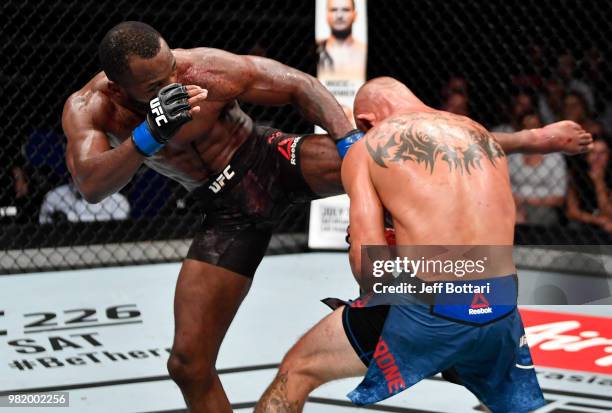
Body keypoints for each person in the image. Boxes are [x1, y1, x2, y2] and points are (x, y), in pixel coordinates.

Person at [63, 22, 590, 412]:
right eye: (158, 84)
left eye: (173, 67)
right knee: (186, 364)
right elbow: (91, 184)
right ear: (118, 87)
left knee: (398, 151)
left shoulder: (204, 68)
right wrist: (148, 135)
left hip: (270, 158)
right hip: (224, 211)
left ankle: (429, 316)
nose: (176, 82)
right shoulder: (93, 109)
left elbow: (302, 86)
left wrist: (351, 144)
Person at [255, 77, 547, 413]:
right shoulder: (480, 135)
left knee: (297, 371)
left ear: (366, 121)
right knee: (499, 396)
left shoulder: (369, 147)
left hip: (430, 308)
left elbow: (369, 267)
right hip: (500, 304)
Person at [508, 112, 567, 225]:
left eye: (535, 127)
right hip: (512, 204)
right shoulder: (512, 155)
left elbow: (559, 198)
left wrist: (526, 201)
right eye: (527, 128)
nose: (531, 132)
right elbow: (502, 186)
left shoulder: (554, 157)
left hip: (543, 207)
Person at [566, 138, 612, 232]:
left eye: (602, 153)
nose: (597, 157)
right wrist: (598, 220)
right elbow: (572, 211)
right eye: (593, 152)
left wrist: (599, 182)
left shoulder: (610, 177)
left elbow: (608, 211)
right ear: (586, 156)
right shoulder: (576, 175)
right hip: (584, 223)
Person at [317, 0, 367, 80]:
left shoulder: (365, 51)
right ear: (326, 15)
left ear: (355, 15)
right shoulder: (316, 49)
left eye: (345, 10)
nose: (339, 15)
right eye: (334, 10)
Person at [39, 182, 130, 224]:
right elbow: (44, 223)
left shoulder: (118, 200)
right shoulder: (55, 195)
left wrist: (70, 218)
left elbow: (118, 227)